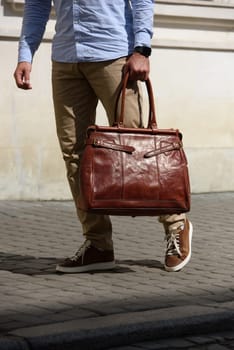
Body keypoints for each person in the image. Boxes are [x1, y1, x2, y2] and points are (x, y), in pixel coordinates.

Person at [14, 0, 193, 273]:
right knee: (74, 155)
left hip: (115, 55)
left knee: (137, 149)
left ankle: (176, 224)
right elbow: (37, 5)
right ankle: (98, 244)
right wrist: (25, 55)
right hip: (65, 60)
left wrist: (141, 49)